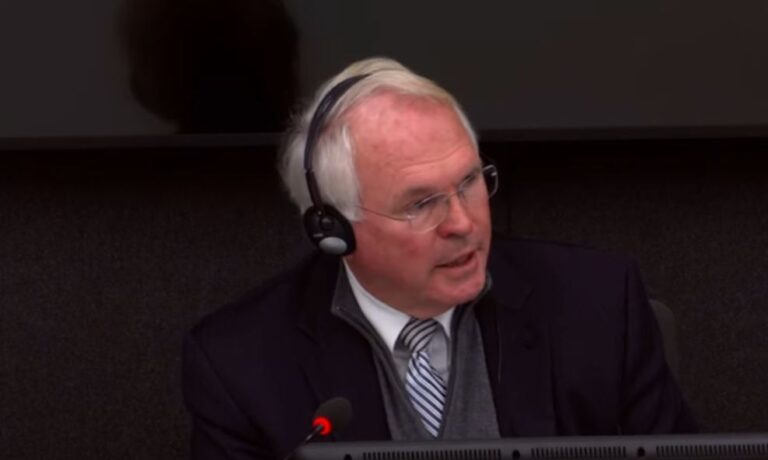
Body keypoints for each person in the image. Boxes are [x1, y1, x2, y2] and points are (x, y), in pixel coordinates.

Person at [182, 57, 696, 459]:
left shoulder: (598, 305)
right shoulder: (242, 364)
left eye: (469, 182)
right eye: (421, 203)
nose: (464, 223)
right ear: (334, 229)